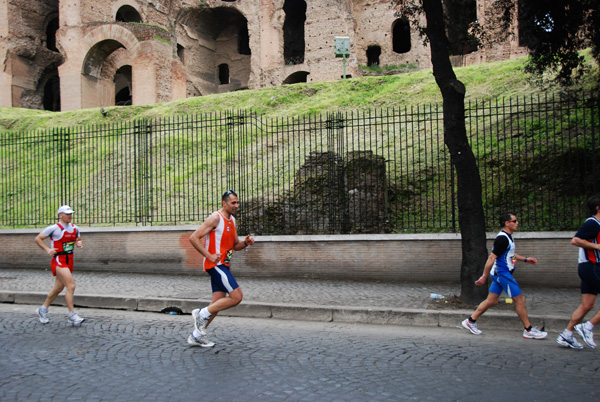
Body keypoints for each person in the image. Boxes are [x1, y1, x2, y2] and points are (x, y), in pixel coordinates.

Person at [461, 213, 547, 339]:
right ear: (507, 223)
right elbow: (491, 258)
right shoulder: (502, 239)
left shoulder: (507, 237)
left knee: (492, 300)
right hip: (502, 273)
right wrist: (484, 276)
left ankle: (470, 321)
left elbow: (510, 254)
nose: (517, 223)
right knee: (520, 300)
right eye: (515, 221)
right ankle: (528, 330)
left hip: (500, 273)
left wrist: (526, 259)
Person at [187, 190, 254, 347]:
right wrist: (209, 255)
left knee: (216, 304)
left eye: (237, 202)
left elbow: (234, 246)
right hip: (215, 265)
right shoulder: (215, 217)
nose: (236, 205)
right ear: (224, 203)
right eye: (233, 203)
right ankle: (200, 313)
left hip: (224, 265)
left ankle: (196, 336)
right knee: (237, 297)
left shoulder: (232, 220)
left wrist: (245, 243)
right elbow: (193, 238)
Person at [556, 195, 600, 350]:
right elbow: (575, 240)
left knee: (587, 305)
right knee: (587, 305)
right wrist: (598, 247)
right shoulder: (593, 223)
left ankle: (566, 335)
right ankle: (587, 326)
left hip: (589, 267)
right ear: (598, 208)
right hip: (592, 266)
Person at [34, 205, 85, 325]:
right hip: (59, 259)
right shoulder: (54, 228)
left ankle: (43, 309)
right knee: (71, 285)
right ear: (60, 215)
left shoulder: (75, 228)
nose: (70, 216)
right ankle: (72, 314)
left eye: (71, 213)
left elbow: (78, 238)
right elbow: (38, 239)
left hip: (69, 259)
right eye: (67, 214)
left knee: (58, 288)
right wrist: (47, 249)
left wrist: (79, 242)